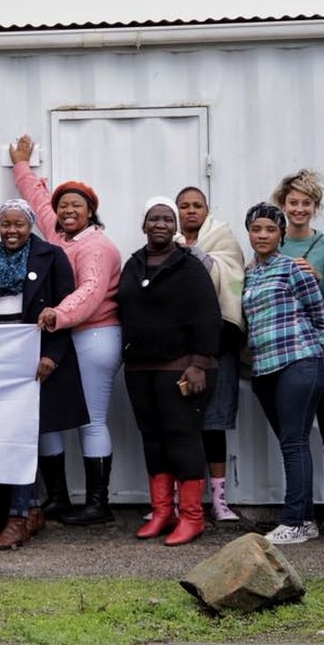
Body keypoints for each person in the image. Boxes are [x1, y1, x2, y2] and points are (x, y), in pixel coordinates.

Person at [9, 134, 123, 526]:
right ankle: (57, 496)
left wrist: (57, 313)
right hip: (62, 338)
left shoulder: (98, 246)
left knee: (92, 419)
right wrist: (22, 167)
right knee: (50, 416)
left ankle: (98, 504)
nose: (67, 209)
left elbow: (90, 292)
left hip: (95, 335)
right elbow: (39, 204)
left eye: (77, 205)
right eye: (63, 205)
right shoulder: (58, 237)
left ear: (91, 212)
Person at [0, 200, 89, 550]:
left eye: (19, 224)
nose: (12, 231)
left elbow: (64, 308)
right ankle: (28, 510)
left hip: (38, 358)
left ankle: (19, 515)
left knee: (24, 437)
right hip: (0, 361)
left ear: (31, 226)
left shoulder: (51, 255)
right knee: (6, 436)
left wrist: (51, 355)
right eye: (5, 224)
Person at [118, 198, 221, 546]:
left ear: (175, 227)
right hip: (139, 369)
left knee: (183, 439)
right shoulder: (133, 265)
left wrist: (199, 363)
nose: (160, 224)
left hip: (180, 368)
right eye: (154, 218)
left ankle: (192, 517)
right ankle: (162, 512)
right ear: (144, 225)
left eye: (167, 219)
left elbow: (208, 314)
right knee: (153, 440)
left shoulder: (189, 266)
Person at [271, 170, 324, 534]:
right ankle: (301, 512)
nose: (299, 209)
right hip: (290, 349)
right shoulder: (272, 241)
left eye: (306, 203)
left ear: (316, 207)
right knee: (296, 433)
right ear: (282, 205)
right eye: (293, 202)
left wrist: (318, 278)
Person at [243, 202, 324, 545]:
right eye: (256, 229)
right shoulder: (249, 273)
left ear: (281, 234)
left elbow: (320, 316)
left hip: (299, 362)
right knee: (291, 443)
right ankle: (306, 521)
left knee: (294, 442)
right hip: (264, 368)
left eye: (270, 229)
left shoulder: (292, 268)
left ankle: (293, 522)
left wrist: (312, 353)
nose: (262, 235)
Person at [174, 186, 246, 522]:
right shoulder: (164, 240)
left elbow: (231, 274)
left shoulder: (222, 237)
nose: (191, 211)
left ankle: (219, 502)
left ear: (207, 209)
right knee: (180, 424)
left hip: (219, 343)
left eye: (197, 205)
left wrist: (193, 255)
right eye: (184, 206)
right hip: (179, 348)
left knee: (214, 422)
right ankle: (179, 502)